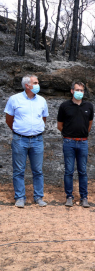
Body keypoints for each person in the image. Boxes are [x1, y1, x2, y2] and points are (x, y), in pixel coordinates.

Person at [4, 74, 49, 208]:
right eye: (35, 83)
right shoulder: (14, 99)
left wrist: (35, 129)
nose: (38, 84)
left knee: (38, 170)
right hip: (19, 140)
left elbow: (43, 118)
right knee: (18, 170)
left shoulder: (42, 100)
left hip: (37, 140)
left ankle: (39, 197)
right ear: (27, 85)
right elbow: (8, 119)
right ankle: (19, 197)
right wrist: (19, 130)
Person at [57, 81, 94, 208]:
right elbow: (59, 125)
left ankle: (84, 197)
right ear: (72, 91)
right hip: (69, 142)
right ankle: (69, 196)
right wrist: (69, 135)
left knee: (83, 171)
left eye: (82, 90)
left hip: (83, 142)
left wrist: (81, 135)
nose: (80, 92)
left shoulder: (88, 106)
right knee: (68, 171)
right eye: (77, 90)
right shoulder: (64, 106)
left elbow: (89, 124)